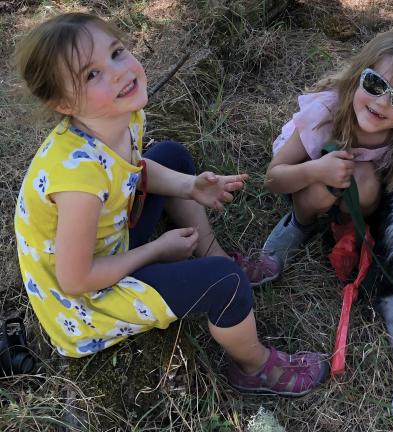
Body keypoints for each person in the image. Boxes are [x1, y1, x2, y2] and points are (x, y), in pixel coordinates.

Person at [13, 12, 327, 396]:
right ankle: (253, 367)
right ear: (63, 103)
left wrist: (191, 186)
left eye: (116, 52)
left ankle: (217, 253)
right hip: (84, 304)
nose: (117, 72)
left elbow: (132, 169)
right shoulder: (77, 180)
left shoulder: (122, 116)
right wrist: (156, 251)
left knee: (171, 156)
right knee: (225, 284)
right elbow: (76, 280)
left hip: (107, 243)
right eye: (91, 74)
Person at [237, 30, 393, 285]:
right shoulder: (326, 113)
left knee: (365, 183)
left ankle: (343, 224)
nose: (382, 102)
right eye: (375, 84)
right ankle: (300, 222)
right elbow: (273, 178)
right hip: (302, 175)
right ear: (358, 74)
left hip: (360, 181)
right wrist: (315, 171)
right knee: (321, 190)